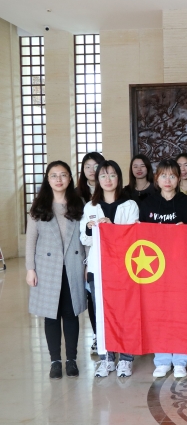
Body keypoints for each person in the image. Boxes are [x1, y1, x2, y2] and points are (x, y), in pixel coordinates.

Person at [25, 161, 86, 379]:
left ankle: (71, 360)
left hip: (73, 267)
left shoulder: (79, 204)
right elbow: (31, 240)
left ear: (70, 178)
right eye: (54, 175)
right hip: (47, 269)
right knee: (51, 315)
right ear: (48, 179)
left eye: (63, 175)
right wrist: (30, 269)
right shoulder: (39, 205)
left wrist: (88, 265)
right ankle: (55, 361)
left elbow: (85, 238)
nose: (58, 179)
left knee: (71, 314)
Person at [80, 161, 140, 377]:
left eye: (112, 175)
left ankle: (126, 358)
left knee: (124, 312)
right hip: (98, 267)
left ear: (119, 179)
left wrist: (111, 229)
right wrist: (90, 228)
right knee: (102, 313)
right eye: (103, 176)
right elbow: (85, 239)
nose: (108, 180)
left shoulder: (130, 205)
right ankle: (106, 358)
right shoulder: (90, 207)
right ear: (97, 180)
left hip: (123, 268)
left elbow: (132, 236)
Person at [138, 159, 187, 378]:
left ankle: (180, 360)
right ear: (157, 178)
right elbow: (138, 235)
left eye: (172, 175)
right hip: (155, 269)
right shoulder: (147, 204)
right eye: (164, 175)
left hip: (181, 267)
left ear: (179, 179)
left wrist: (186, 231)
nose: (168, 180)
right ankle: (162, 360)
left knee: (181, 313)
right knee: (159, 313)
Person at [75, 151, 105, 356]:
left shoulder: (110, 192)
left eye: (96, 166)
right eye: (87, 166)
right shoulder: (77, 195)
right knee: (91, 297)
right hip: (84, 252)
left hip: (104, 253)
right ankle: (97, 336)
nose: (92, 170)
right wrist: (86, 262)